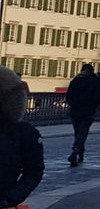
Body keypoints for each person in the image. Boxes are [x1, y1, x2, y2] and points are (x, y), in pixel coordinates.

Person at [0, 66, 43, 208]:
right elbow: (34, 172)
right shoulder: (24, 133)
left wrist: (9, 198)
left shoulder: (23, 133)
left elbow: (33, 171)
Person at [64, 63, 100, 166]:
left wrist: (73, 104)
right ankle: (77, 150)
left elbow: (68, 97)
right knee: (83, 132)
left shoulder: (75, 80)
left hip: (75, 110)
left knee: (77, 131)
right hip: (88, 111)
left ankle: (78, 152)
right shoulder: (96, 82)